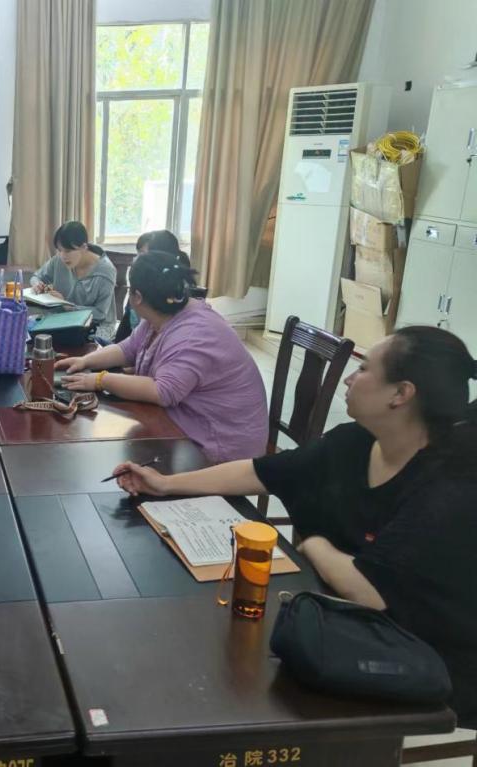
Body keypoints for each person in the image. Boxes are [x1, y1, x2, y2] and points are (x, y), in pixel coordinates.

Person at [111, 326, 477, 727]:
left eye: (364, 369)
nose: (350, 379)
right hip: (345, 621)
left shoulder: (450, 485)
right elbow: (261, 472)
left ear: (401, 394)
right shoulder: (354, 441)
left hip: (425, 658)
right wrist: (165, 484)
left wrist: (316, 545)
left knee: (247, 688)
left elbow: (369, 590)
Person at [57, 250, 267, 462]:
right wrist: (86, 360)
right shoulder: (162, 312)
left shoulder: (194, 334)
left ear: (137, 297)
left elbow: (162, 391)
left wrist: (100, 380)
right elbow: (129, 348)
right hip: (189, 423)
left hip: (224, 447)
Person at [30, 221, 117, 341]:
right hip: (63, 320)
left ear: (84, 247)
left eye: (67, 251)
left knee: (78, 346)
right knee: (34, 336)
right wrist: (37, 284)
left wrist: (68, 306)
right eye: (59, 250)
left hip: (96, 325)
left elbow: (100, 314)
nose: (63, 256)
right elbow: (36, 276)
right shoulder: (59, 260)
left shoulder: (105, 271)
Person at [114, 229, 190, 344]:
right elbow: (125, 336)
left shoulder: (176, 297)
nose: (136, 260)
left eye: (142, 254)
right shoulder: (141, 287)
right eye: (138, 254)